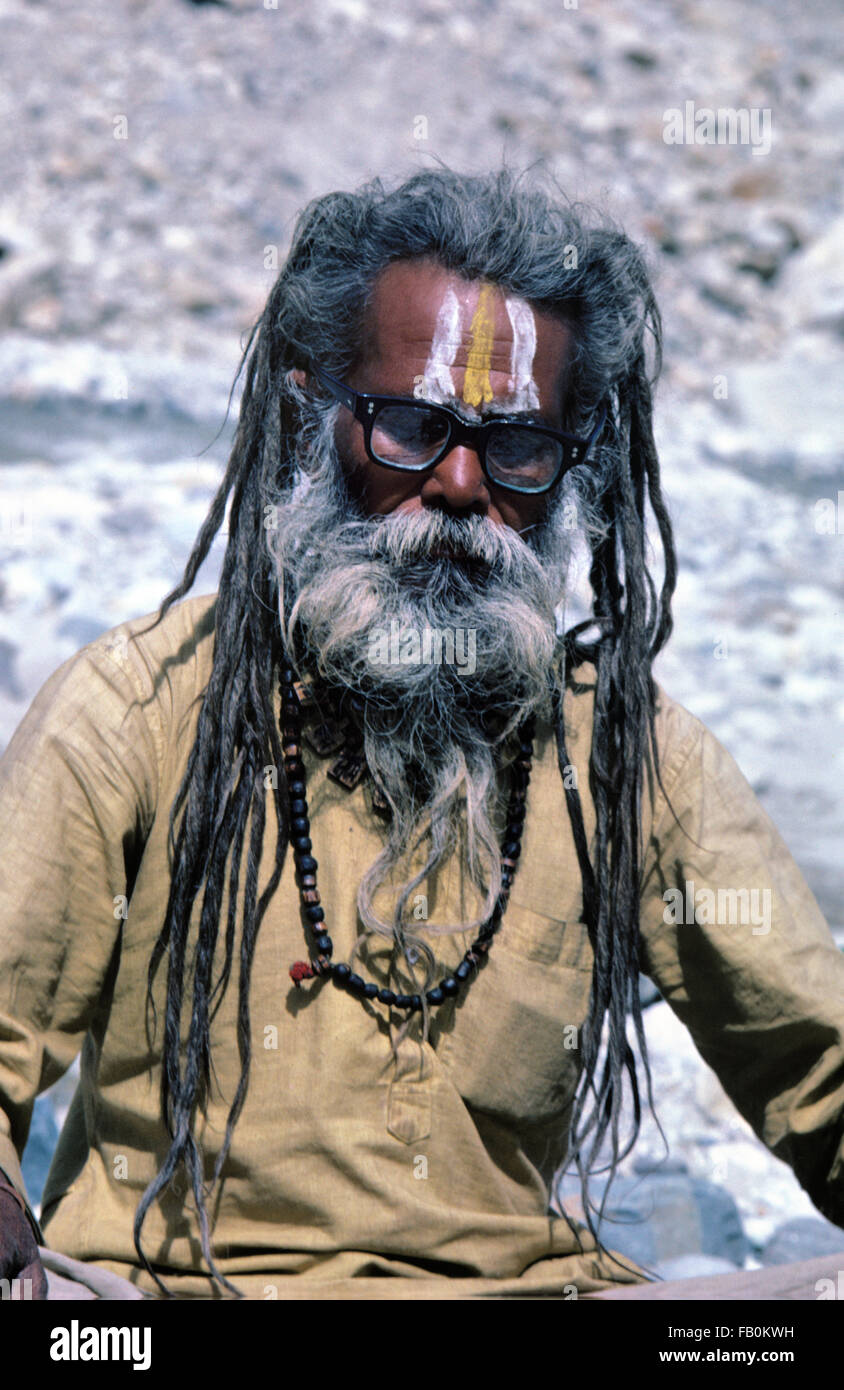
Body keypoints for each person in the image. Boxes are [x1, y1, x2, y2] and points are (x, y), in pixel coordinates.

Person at [1, 169, 842, 1301]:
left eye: (516, 452)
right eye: (408, 425)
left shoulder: (626, 756)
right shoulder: (137, 708)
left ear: (567, 469)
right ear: (311, 413)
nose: (457, 485)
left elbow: (821, 1067)